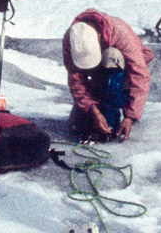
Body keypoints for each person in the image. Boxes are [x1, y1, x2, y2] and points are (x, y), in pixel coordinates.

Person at [62, 9, 154, 142]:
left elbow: (140, 74)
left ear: (99, 36)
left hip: (125, 75)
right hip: (98, 74)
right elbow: (75, 78)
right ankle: (100, 108)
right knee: (78, 126)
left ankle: (112, 116)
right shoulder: (72, 37)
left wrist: (130, 116)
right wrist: (92, 109)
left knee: (112, 56)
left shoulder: (119, 31)